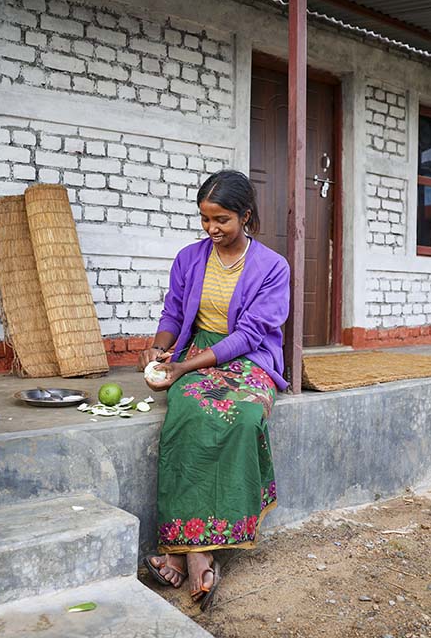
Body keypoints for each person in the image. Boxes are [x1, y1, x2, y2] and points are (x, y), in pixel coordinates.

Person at [140, 170, 290, 610]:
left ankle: (187, 550)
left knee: (240, 417)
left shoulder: (271, 267)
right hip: (196, 352)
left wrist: (186, 365)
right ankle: (196, 551)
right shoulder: (189, 258)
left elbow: (248, 336)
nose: (211, 229)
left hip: (248, 360)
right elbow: (172, 314)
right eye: (205, 220)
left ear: (246, 216)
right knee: (188, 410)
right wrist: (159, 349)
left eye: (221, 219)